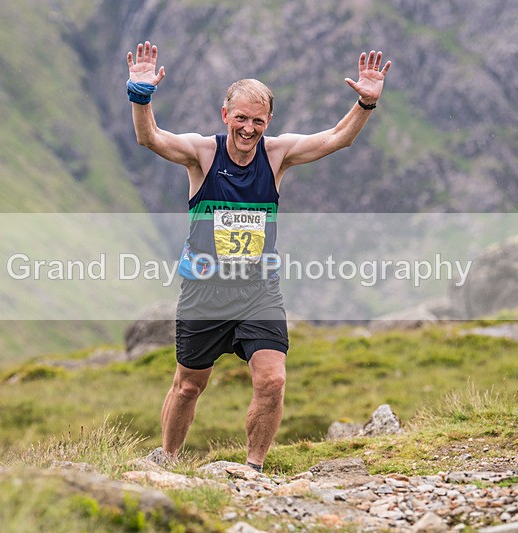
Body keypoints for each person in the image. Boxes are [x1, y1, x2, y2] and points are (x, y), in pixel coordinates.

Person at [127, 40, 391, 472]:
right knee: (189, 386)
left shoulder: (277, 155)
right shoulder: (201, 154)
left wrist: (365, 102)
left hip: (258, 292)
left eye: (258, 121)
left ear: (269, 122)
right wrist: (141, 96)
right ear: (225, 115)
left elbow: (337, 139)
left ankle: (253, 470)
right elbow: (149, 137)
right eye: (242, 119)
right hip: (204, 294)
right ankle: (168, 460)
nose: (249, 129)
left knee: (272, 381)